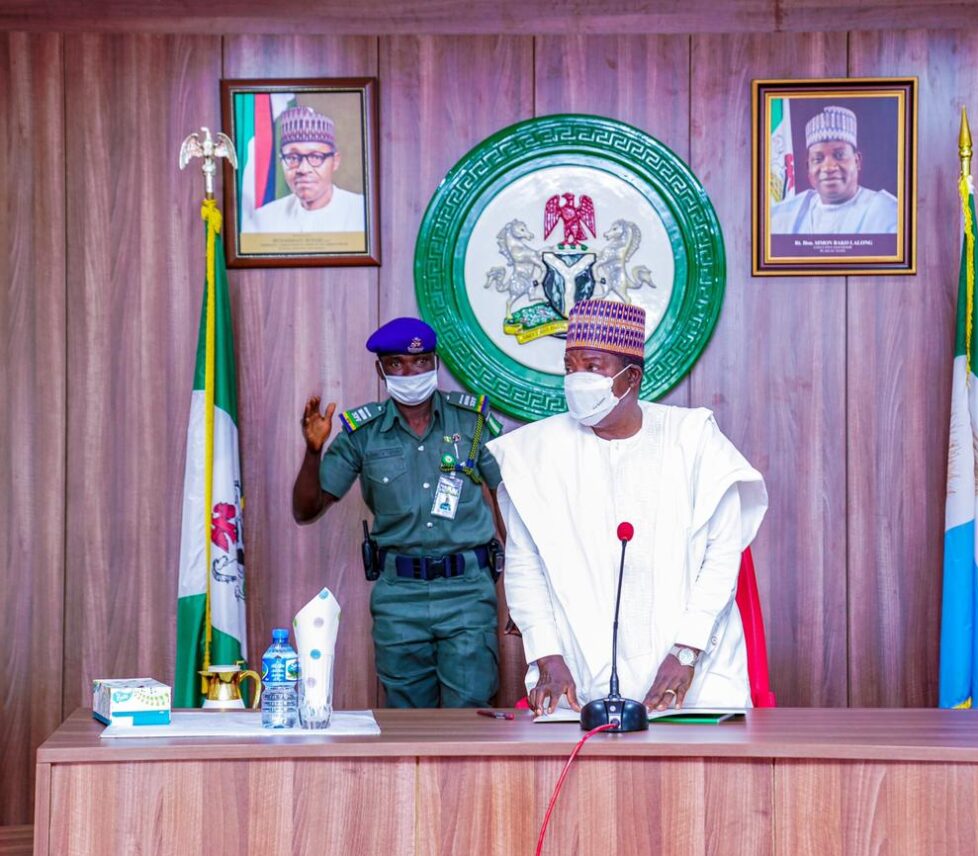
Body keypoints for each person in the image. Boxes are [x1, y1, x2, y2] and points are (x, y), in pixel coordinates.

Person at [487, 299, 768, 715]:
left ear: (630, 376)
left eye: (593, 367)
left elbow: (722, 556)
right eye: (570, 367)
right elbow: (525, 565)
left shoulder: (693, 440)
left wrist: (687, 652)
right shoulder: (533, 452)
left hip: (692, 674)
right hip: (576, 678)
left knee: (697, 780)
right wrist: (546, 656)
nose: (576, 380)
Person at [292, 317, 504, 708]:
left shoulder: (472, 422)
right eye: (397, 365)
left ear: (435, 363)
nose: (411, 372)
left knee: (472, 718)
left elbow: (506, 499)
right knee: (408, 722)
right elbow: (307, 510)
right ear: (381, 370)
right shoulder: (363, 433)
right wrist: (312, 451)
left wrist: (522, 590)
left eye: (421, 362)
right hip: (399, 599)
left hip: (468, 594)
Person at [771, 105, 898, 235]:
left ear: (857, 161)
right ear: (808, 167)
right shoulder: (786, 215)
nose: (828, 167)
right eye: (818, 159)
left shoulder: (887, 213)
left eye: (839, 155)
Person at [246, 105, 366, 233]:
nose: (303, 169)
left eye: (315, 157)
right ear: (281, 161)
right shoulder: (263, 220)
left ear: (335, 161)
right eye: (293, 157)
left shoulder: (362, 212)